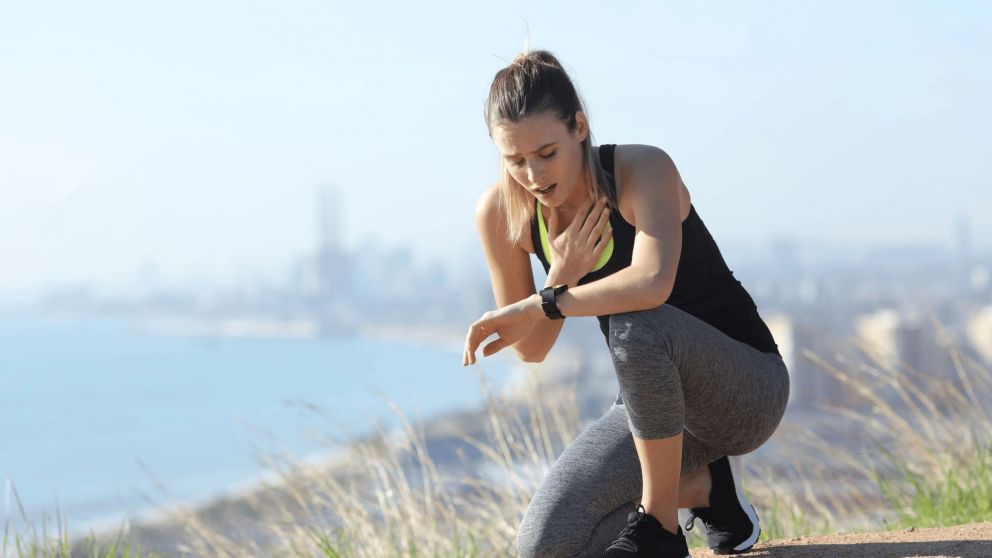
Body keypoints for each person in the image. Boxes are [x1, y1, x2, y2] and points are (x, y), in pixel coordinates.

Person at [462, 49, 790, 558]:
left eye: (546, 152)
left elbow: (651, 285)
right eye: (514, 159)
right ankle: (706, 487)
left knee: (636, 324)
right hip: (652, 410)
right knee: (542, 547)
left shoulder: (643, 170)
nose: (531, 173)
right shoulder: (502, 213)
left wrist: (538, 305)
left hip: (745, 392)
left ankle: (661, 529)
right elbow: (530, 351)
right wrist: (559, 276)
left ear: (579, 127)